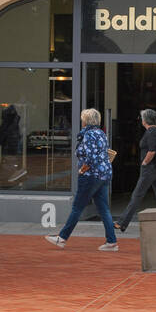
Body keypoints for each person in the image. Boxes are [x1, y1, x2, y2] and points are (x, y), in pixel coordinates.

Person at [46, 108, 119, 251]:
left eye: (83, 119)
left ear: (86, 121)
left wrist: (83, 169)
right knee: (104, 209)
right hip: (104, 175)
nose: (81, 121)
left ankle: (62, 238)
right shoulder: (101, 133)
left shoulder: (88, 135)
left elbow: (90, 157)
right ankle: (111, 241)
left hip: (90, 176)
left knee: (77, 207)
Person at [113, 108, 156, 232]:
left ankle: (122, 222)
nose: (141, 120)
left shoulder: (151, 131)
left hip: (150, 169)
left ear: (145, 120)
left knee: (137, 195)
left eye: (142, 118)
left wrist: (145, 162)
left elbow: (152, 150)